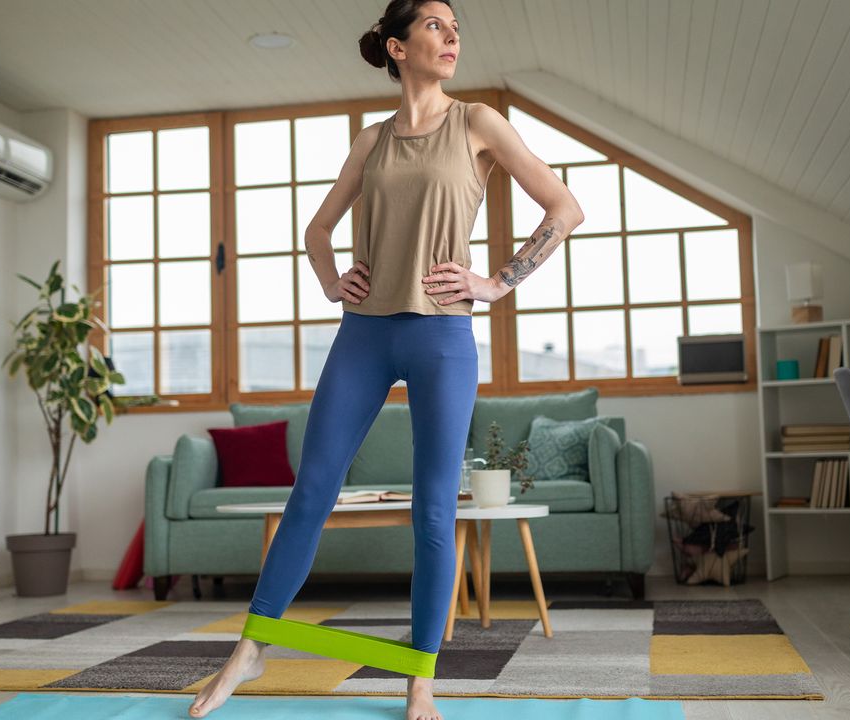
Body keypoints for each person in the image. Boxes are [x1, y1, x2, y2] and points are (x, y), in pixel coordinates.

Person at [188, 1, 584, 718]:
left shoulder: (479, 124)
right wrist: (332, 281)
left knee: (434, 511)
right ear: (398, 47)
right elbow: (317, 231)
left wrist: (497, 283)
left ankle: (420, 679)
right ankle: (247, 652)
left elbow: (564, 208)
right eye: (436, 24)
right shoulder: (370, 141)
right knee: (310, 492)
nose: (452, 35)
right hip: (364, 334)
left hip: (441, 337)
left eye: (456, 26)